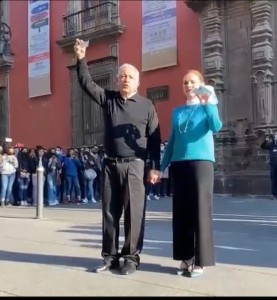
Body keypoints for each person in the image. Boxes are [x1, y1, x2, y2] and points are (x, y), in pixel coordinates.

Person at [74, 39, 161, 275]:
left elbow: (154, 139)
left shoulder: (147, 105)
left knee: (134, 213)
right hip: (110, 165)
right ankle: (109, 257)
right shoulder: (108, 99)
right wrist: (81, 58)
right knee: (110, 213)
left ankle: (131, 258)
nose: (125, 79)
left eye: (130, 77)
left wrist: (155, 167)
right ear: (116, 79)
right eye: (122, 76)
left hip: (135, 165)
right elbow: (87, 83)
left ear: (137, 82)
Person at [160, 70, 222, 277]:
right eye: (185, 82)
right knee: (182, 213)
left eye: (193, 82)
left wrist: (207, 103)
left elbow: (216, 126)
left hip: (201, 164)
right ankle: (185, 257)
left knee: (200, 212)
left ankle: (200, 260)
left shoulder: (207, 107)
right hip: (179, 165)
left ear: (201, 84)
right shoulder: (177, 111)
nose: (188, 85)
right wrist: (161, 168)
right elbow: (172, 142)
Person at [261, 133, 277, 200]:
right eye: (276, 135)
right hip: (273, 165)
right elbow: (263, 147)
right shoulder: (271, 145)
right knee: (274, 179)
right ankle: (275, 194)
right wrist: (266, 140)